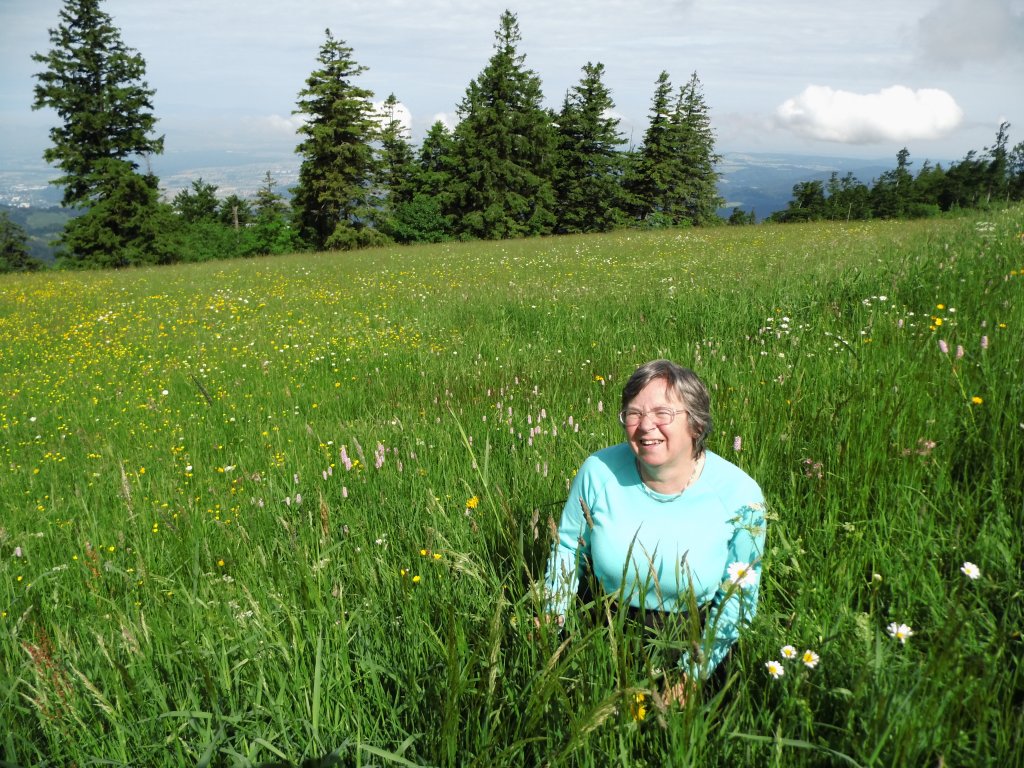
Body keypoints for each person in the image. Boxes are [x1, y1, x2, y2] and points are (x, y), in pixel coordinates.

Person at [543, 360, 765, 703]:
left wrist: (691, 678)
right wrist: (551, 617)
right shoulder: (598, 472)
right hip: (602, 635)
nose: (646, 426)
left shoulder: (739, 494)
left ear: (696, 423)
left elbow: (738, 598)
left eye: (663, 413)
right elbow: (568, 547)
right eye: (634, 413)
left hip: (696, 644)